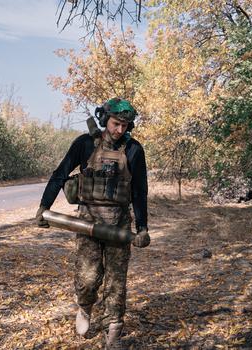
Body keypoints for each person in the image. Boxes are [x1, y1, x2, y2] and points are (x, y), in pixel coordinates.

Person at [36, 98, 150, 349]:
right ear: (104, 120)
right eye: (116, 124)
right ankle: (85, 307)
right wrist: (45, 206)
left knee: (116, 281)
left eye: (125, 125)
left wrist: (142, 227)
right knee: (88, 279)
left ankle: (113, 331)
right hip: (87, 222)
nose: (120, 130)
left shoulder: (134, 150)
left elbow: (140, 191)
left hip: (119, 226)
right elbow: (60, 174)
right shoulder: (85, 144)